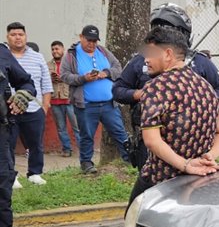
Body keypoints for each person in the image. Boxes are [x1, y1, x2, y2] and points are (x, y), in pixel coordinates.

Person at [113, 3, 219, 168]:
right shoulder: (140, 61)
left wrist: (193, 101)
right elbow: (118, 90)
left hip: (193, 143)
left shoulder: (200, 62)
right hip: (151, 145)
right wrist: (139, 94)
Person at [127, 26, 219, 208]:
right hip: (199, 181)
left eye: (151, 53)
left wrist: (185, 165)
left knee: (137, 225)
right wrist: (209, 157)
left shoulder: (156, 88)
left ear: (167, 54)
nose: (146, 60)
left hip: (160, 182)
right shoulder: (205, 86)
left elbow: (152, 141)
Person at [60, 24, 129, 174]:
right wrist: (83, 78)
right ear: (81, 37)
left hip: (109, 104)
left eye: (94, 41)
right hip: (86, 104)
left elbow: (118, 68)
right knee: (87, 135)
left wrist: (107, 72)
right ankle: (86, 164)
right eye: (88, 40)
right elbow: (64, 75)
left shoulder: (103, 51)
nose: (91, 44)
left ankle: (130, 160)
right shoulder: (71, 55)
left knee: (120, 132)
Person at [0, 45, 36, 227]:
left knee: (2, 197)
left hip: (1, 137)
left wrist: (23, 95)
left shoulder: (2, 53)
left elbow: (27, 82)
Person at [4, 22, 51, 186]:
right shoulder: (4, 57)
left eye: (20, 34)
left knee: (36, 143)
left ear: (26, 37)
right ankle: (12, 176)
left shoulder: (37, 57)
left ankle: (35, 173)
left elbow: (46, 84)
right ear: (7, 37)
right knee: (8, 144)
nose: (17, 37)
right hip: (9, 110)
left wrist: (44, 107)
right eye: (13, 34)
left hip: (34, 109)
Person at [47, 41, 80, 157]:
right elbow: (44, 81)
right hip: (55, 100)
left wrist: (63, 78)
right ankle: (67, 149)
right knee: (61, 128)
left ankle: (83, 150)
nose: (55, 51)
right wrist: (51, 78)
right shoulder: (47, 65)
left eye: (57, 49)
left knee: (77, 126)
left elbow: (77, 78)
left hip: (69, 99)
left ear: (62, 49)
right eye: (53, 49)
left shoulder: (70, 63)